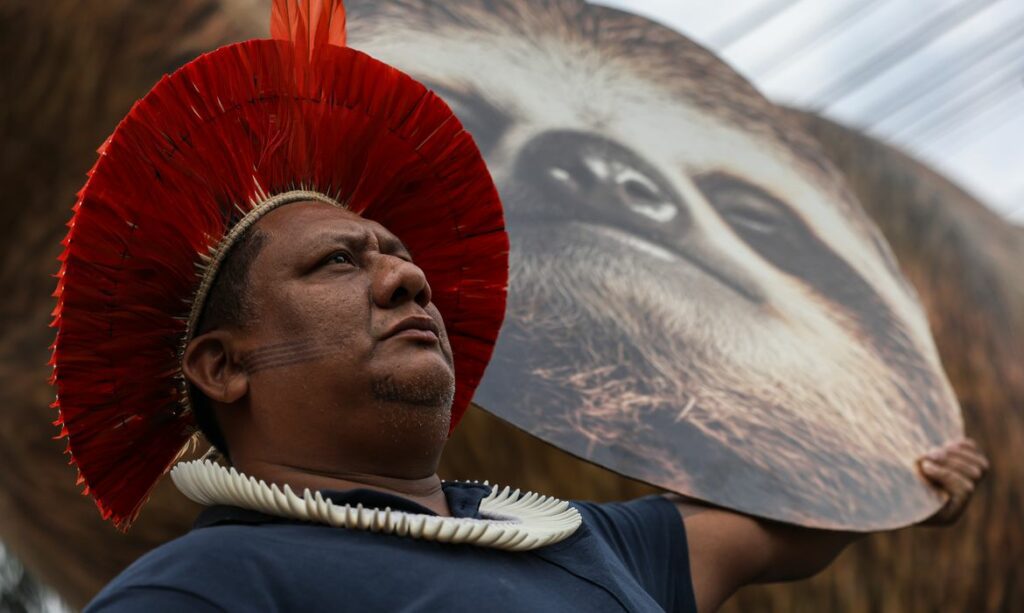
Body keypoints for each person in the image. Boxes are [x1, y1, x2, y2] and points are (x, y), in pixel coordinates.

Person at [51, 2, 987, 612]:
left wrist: (909, 483)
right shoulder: (203, 590)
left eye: (401, 255)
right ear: (222, 363)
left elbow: (787, 525)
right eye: (339, 262)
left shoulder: (596, 540)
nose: (404, 279)